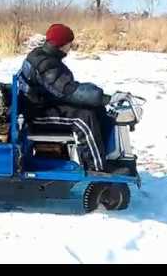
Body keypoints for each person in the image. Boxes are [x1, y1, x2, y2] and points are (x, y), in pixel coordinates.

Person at [18, 24, 127, 172]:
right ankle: (96, 169)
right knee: (83, 118)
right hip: (36, 112)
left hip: (43, 104)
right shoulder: (45, 64)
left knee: (95, 109)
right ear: (62, 44)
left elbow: (64, 88)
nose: (70, 47)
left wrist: (98, 101)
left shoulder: (44, 56)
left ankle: (106, 156)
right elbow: (69, 90)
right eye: (69, 43)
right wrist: (105, 98)